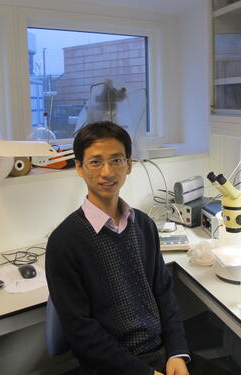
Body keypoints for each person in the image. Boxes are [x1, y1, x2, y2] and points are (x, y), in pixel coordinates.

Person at [45, 121, 190, 375]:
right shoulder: (64, 242)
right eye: (95, 162)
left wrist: (177, 352)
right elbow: (81, 332)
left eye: (116, 160)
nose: (107, 172)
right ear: (79, 167)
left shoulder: (144, 225)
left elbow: (164, 294)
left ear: (129, 165)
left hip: (162, 355)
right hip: (110, 366)